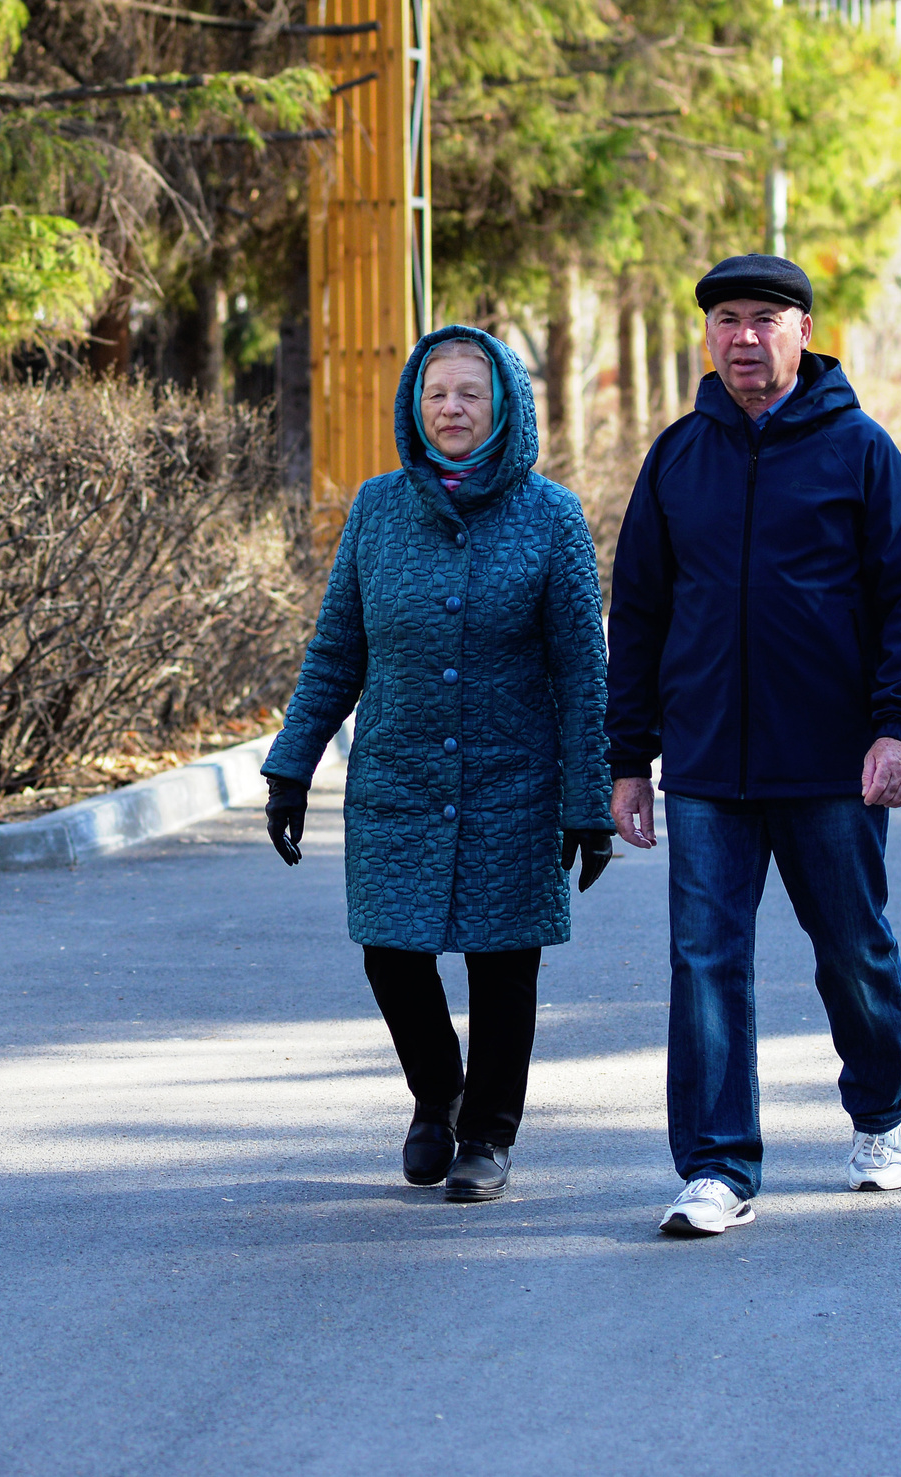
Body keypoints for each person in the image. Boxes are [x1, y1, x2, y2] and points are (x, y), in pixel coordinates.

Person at [605, 255, 901, 1238]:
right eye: (724, 319)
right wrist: (628, 758)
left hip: (832, 760)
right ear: (706, 336)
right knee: (704, 959)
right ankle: (716, 1166)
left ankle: (880, 1112)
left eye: (763, 318)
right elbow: (638, 614)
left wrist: (897, 726)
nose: (742, 336)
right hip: (706, 762)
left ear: (802, 330)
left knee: (851, 948)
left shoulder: (860, 452)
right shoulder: (676, 458)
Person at [263, 325, 612, 1205]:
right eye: (435, 393)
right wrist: (290, 766)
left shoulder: (551, 515)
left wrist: (588, 799)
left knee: (505, 962)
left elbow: (581, 671)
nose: (450, 409)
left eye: (469, 393)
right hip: (399, 777)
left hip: (513, 779)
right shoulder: (378, 510)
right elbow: (337, 650)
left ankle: (488, 1133)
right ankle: (436, 1094)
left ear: (505, 407)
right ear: (413, 406)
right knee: (390, 950)